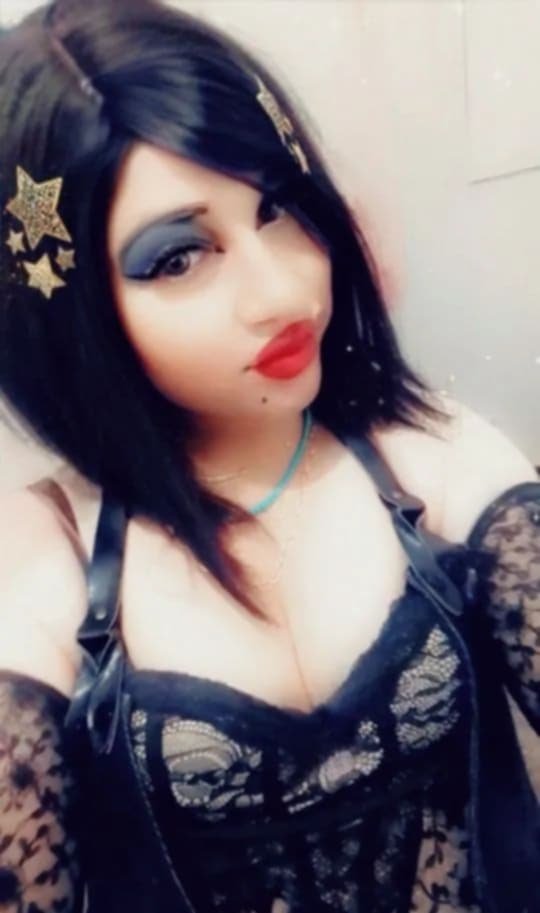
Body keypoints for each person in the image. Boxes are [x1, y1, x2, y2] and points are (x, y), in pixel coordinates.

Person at [0, 0, 538, 910]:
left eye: (278, 208)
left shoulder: (429, 457)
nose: (281, 289)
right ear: (75, 308)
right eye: (180, 256)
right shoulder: (47, 555)